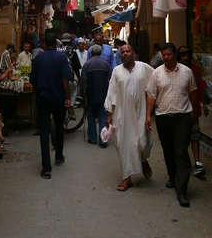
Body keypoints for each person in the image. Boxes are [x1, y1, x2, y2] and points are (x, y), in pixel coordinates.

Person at [145, 42, 199, 208]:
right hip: (163, 118)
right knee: (168, 150)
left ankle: (182, 190)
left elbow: (193, 92)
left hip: (182, 118)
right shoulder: (157, 74)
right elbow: (151, 95)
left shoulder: (186, 72)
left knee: (181, 151)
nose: (166, 57)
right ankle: (172, 175)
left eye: (169, 54)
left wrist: (195, 113)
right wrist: (148, 115)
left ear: (174, 54)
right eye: (164, 55)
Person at [104, 43, 154, 192]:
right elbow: (111, 92)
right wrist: (108, 115)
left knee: (143, 142)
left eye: (128, 51)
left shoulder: (143, 67)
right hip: (122, 114)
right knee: (123, 144)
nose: (125, 54)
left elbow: (156, 80)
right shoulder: (116, 71)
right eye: (123, 52)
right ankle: (127, 178)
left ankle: (143, 159)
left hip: (141, 112)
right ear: (120, 55)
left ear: (134, 54)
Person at [29, 32, 72, 179]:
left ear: (45, 44)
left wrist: (37, 96)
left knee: (44, 131)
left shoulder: (38, 58)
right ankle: (59, 156)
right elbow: (65, 79)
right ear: (56, 43)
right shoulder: (62, 58)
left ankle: (46, 167)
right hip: (58, 98)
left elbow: (33, 81)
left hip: (43, 98)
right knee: (59, 127)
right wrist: (67, 97)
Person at [177, 46, 209, 178]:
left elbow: (199, 88)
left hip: (193, 109)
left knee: (195, 137)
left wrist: (204, 104)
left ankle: (197, 162)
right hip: (180, 109)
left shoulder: (195, 70)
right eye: (183, 55)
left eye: (187, 55)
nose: (186, 58)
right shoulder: (176, 69)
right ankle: (183, 162)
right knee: (182, 138)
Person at [80, 44, 111, 147]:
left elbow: (83, 82)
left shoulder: (87, 65)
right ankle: (103, 140)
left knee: (91, 116)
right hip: (103, 95)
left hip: (91, 95)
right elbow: (110, 80)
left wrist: (82, 95)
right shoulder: (106, 65)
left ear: (91, 53)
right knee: (102, 116)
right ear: (101, 53)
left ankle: (92, 138)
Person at [57, 33, 82, 120]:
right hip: (68, 79)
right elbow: (76, 68)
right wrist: (79, 80)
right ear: (70, 41)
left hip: (57, 80)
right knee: (73, 91)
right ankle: (71, 111)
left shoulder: (56, 50)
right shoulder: (72, 50)